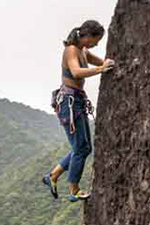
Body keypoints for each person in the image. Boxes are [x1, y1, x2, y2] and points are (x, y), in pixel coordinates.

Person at [42, 19, 115, 202]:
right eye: (95, 40)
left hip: (76, 101)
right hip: (69, 102)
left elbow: (102, 62)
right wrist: (100, 69)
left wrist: (107, 64)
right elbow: (76, 72)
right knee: (81, 149)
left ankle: (52, 176)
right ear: (87, 36)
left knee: (84, 147)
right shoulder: (71, 51)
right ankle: (74, 190)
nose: (96, 44)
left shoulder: (83, 51)